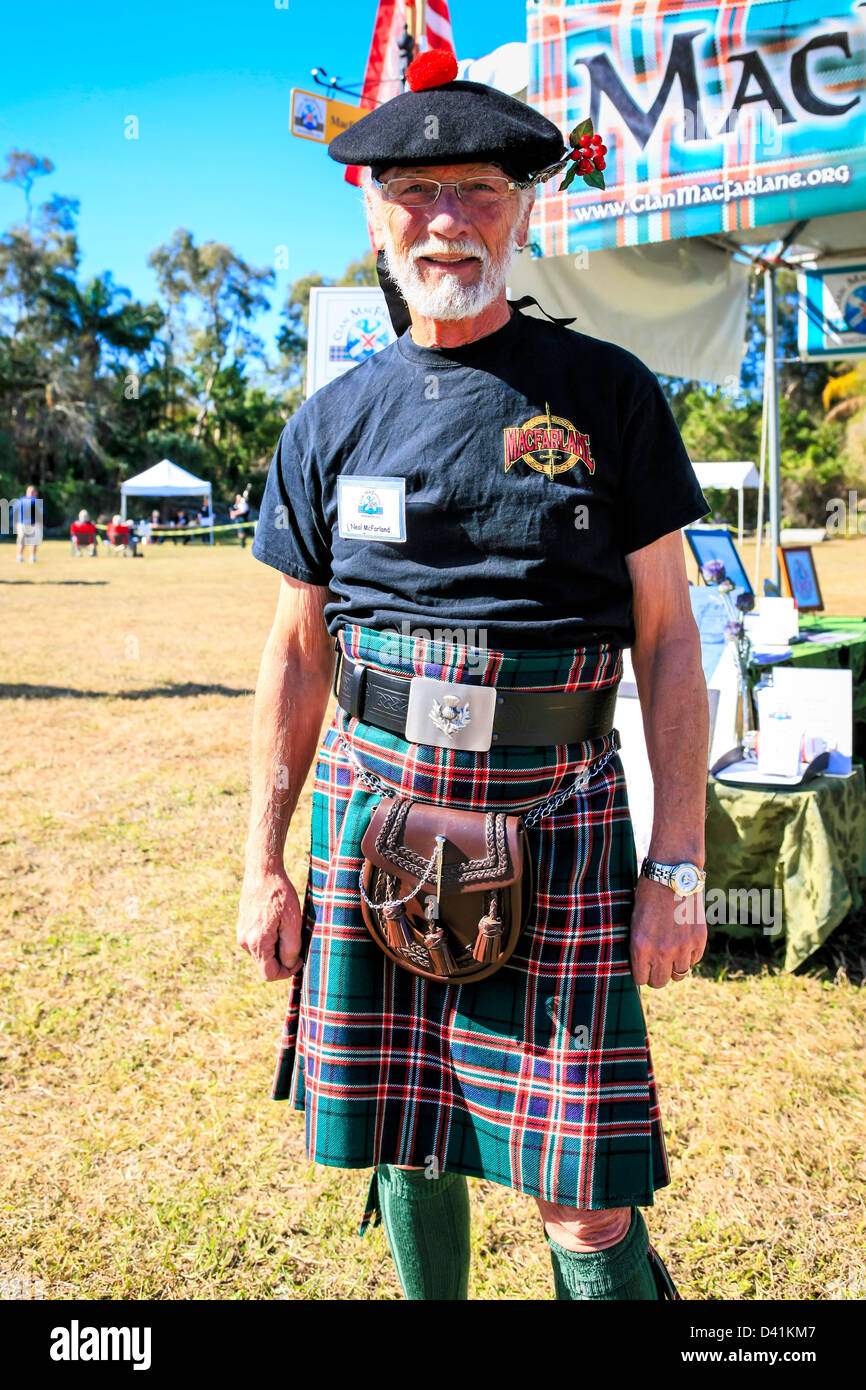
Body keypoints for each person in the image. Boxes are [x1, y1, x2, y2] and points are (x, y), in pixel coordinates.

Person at [238, 50, 710, 1302]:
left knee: (582, 1189)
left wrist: (676, 865)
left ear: (523, 208)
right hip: (370, 800)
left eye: (481, 191)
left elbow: (667, 639)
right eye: (416, 190)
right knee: (405, 1137)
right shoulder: (330, 420)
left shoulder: (605, 395)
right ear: (371, 210)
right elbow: (297, 653)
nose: (447, 219)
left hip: (554, 810)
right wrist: (261, 861)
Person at [13, 485, 43, 564]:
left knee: (21, 541)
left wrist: (16, 523)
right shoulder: (36, 501)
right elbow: (41, 513)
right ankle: (32, 557)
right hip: (33, 524)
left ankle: (19, 557)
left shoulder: (20, 500)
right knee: (33, 541)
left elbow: (13, 512)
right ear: (34, 492)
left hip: (21, 524)